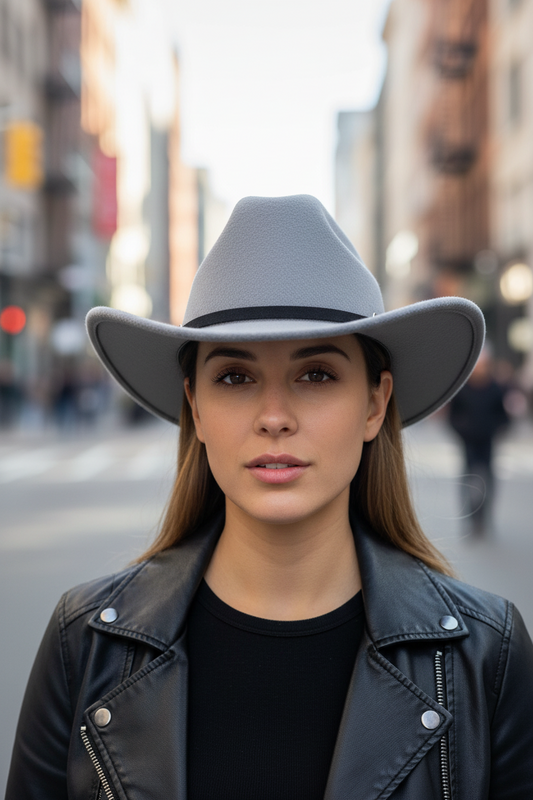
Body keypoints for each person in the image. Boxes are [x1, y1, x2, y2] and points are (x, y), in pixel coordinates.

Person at [6, 195, 533, 799]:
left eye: (316, 374)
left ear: (375, 403)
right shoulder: (86, 643)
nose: (274, 416)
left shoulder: (485, 655)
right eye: (235, 376)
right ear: (195, 408)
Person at [449, 345, 509, 536]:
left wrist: (493, 429)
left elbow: (503, 417)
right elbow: (452, 417)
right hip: (468, 444)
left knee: (487, 482)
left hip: (487, 444)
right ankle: (471, 520)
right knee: (468, 482)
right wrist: (463, 430)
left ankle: (485, 519)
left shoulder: (494, 388)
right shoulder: (463, 388)